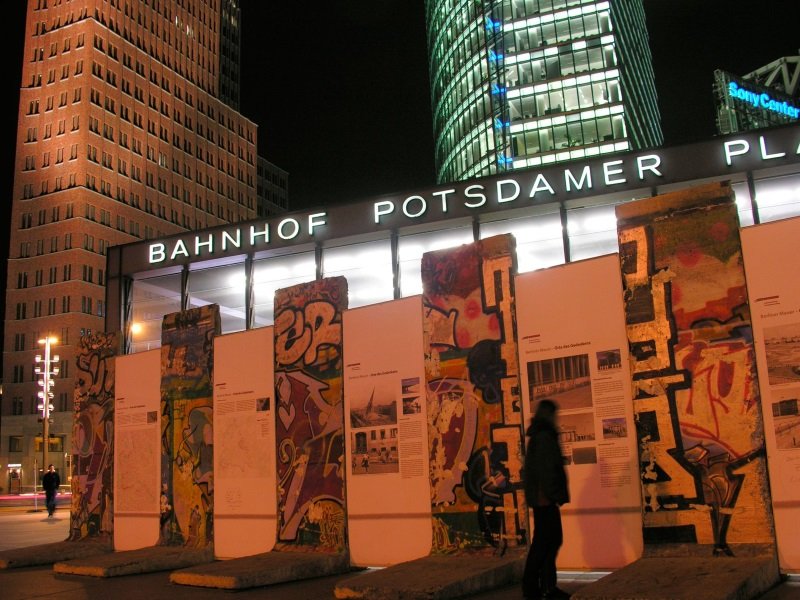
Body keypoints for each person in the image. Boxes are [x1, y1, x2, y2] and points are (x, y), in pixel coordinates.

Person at [522, 399, 570, 600]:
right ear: (548, 414)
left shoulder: (540, 435)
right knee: (547, 542)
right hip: (545, 500)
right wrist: (555, 494)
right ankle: (538, 588)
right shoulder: (544, 436)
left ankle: (544, 587)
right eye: (554, 414)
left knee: (546, 543)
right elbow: (546, 470)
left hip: (543, 498)